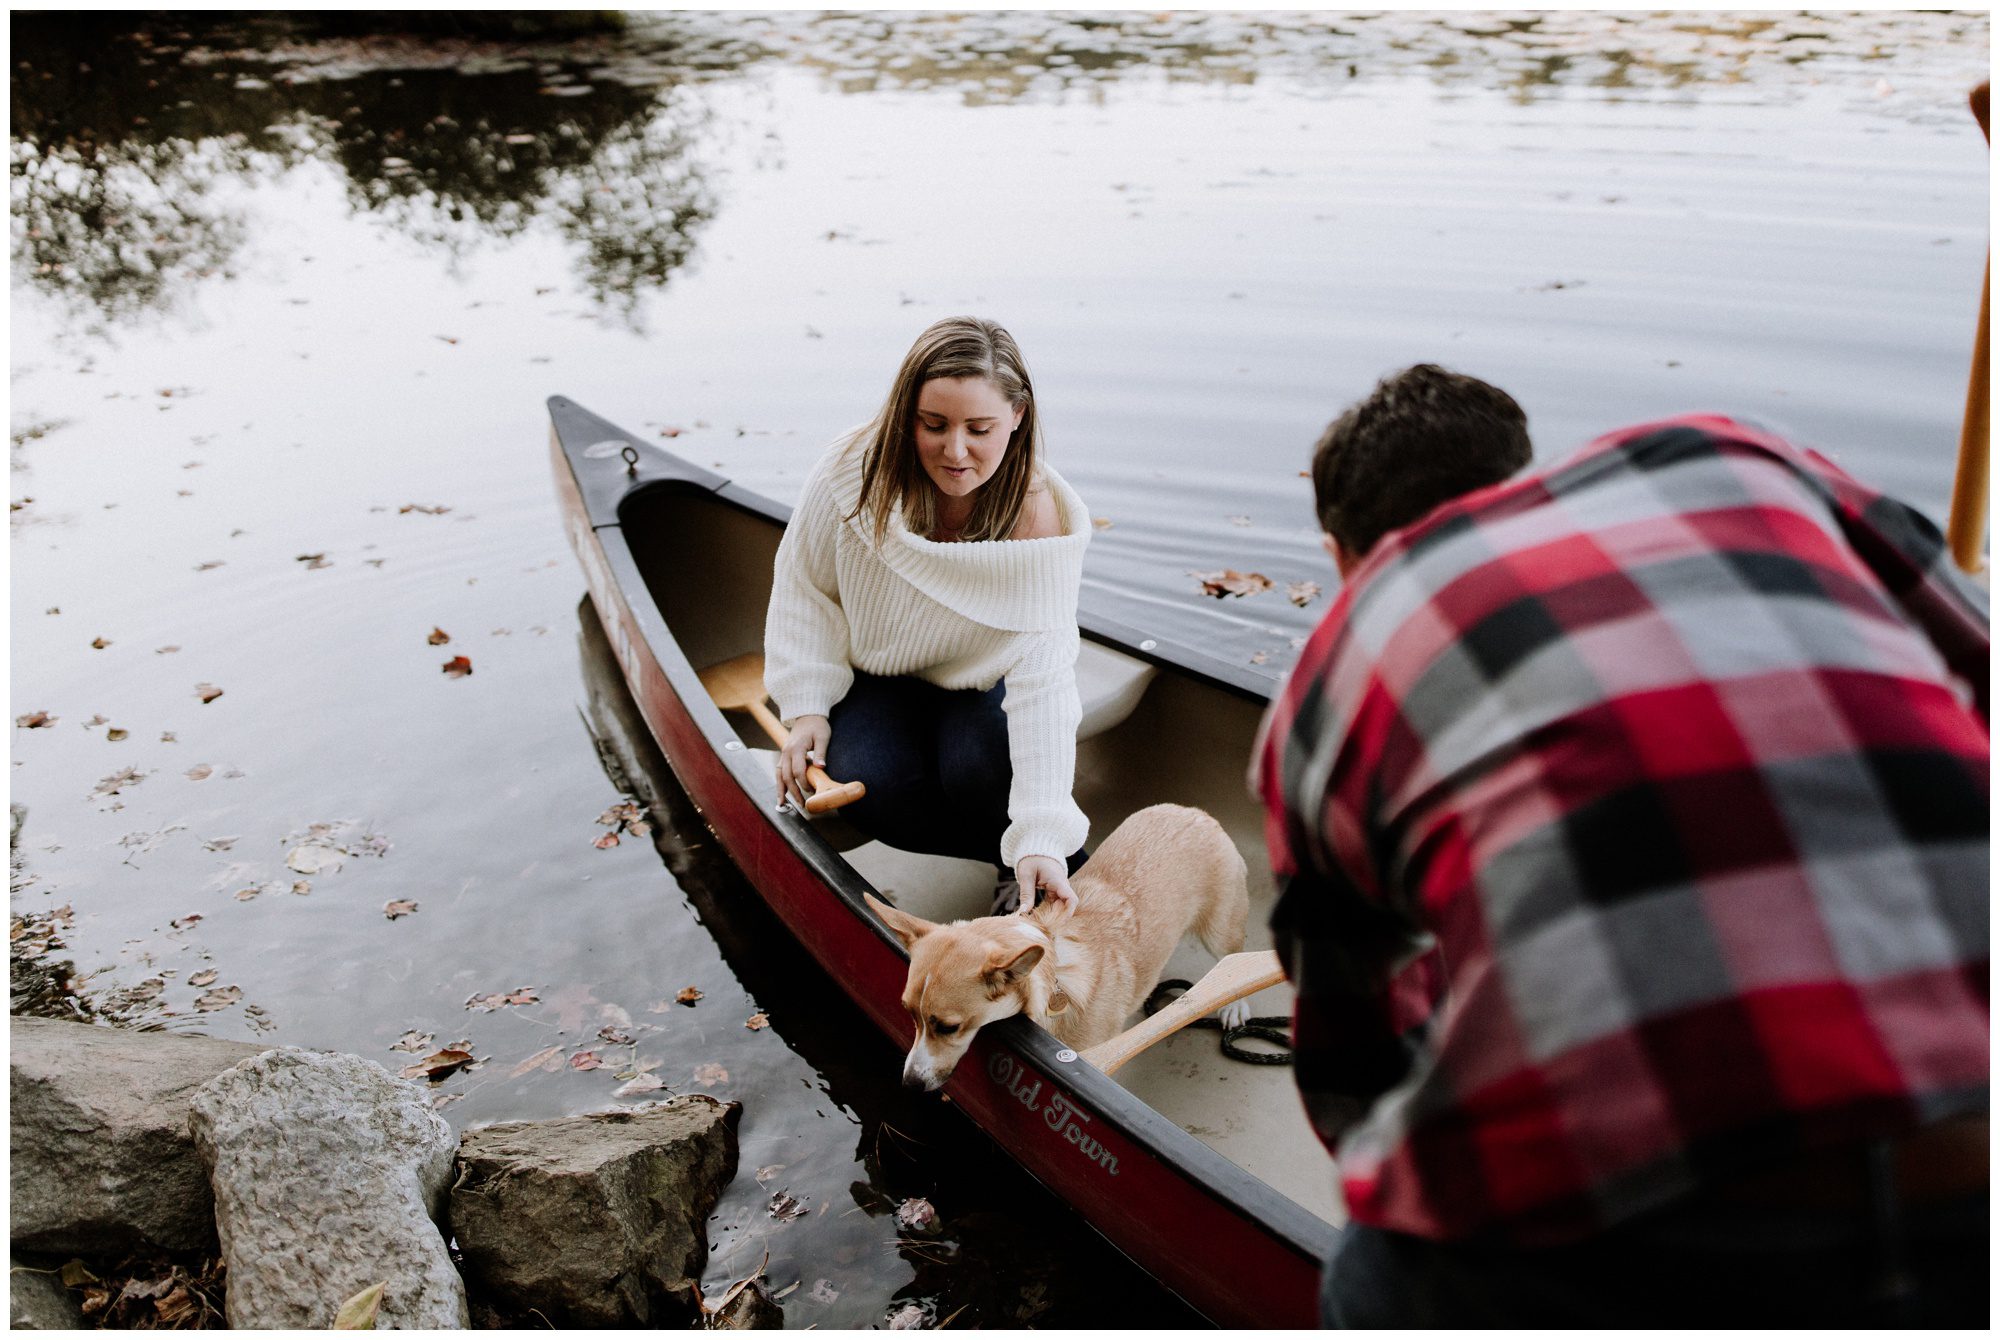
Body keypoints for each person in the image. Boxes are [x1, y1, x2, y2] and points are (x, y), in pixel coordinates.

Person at [1252, 364, 1989, 1327]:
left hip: (1667, 1230)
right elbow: (1978, 661)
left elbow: (1356, 1066)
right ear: (1529, 471)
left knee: (1367, 1266)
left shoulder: (1331, 671)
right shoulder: (1733, 451)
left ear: (1342, 556)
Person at [764, 316, 1091, 911]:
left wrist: (1042, 829)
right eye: (933, 425)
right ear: (904, 416)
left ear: (1017, 417)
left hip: (979, 682)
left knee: (982, 766)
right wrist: (807, 704)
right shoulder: (851, 474)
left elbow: (1044, 677)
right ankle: (1011, 858)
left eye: (980, 428)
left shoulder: (1035, 518)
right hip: (878, 673)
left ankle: (1043, 862)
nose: (956, 451)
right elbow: (805, 587)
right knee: (875, 791)